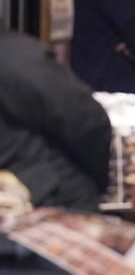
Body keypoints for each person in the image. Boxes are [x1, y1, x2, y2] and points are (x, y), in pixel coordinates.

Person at [0, 29, 113, 210]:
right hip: (43, 200)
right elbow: (89, 122)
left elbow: (87, 121)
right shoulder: (14, 57)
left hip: (41, 195)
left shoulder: (13, 58)